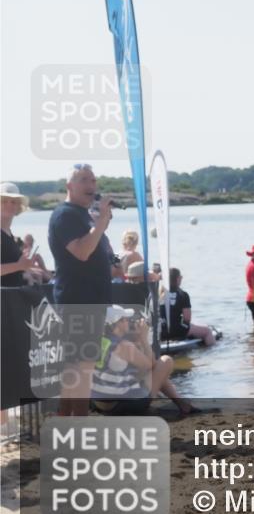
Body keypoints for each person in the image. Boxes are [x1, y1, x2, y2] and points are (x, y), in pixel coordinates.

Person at [47, 165, 117, 416]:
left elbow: (96, 248)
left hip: (92, 300)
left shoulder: (83, 215)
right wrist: (100, 224)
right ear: (69, 186)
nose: (91, 185)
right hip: (77, 300)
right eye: (84, 180)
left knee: (76, 368)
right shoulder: (65, 215)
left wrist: (101, 225)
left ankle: (65, 424)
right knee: (81, 368)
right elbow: (82, 252)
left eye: (94, 180)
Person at [91, 305, 195, 416]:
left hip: (98, 402)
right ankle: (180, 404)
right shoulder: (123, 346)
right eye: (125, 319)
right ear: (117, 324)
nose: (129, 322)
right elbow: (151, 364)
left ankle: (182, 403)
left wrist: (138, 341)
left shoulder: (99, 340)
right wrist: (143, 338)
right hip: (117, 406)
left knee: (150, 372)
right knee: (166, 361)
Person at [160, 268, 216, 346]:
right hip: (176, 331)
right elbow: (187, 319)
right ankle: (213, 351)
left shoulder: (158, 294)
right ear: (178, 278)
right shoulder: (182, 294)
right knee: (207, 331)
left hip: (161, 331)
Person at [1, 183, 32, 287]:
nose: (9, 205)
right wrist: (19, 266)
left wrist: (25, 273)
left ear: (18, 207)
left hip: (13, 293)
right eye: (4, 201)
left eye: (13, 202)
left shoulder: (8, 233)